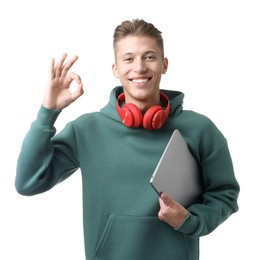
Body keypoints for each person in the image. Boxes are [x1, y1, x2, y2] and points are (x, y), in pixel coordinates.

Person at [15, 19, 240, 260]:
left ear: (164, 65)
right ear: (115, 69)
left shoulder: (200, 129)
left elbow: (224, 195)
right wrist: (48, 110)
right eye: (129, 58)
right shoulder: (87, 129)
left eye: (149, 57)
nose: (140, 67)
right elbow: (28, 182)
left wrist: (189, 221)